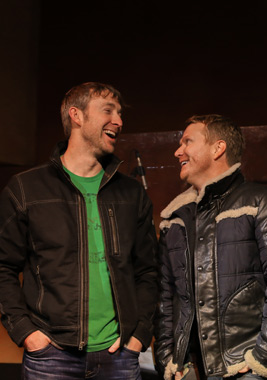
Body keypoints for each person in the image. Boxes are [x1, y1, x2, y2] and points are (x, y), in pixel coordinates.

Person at [0, 82, 158, 379]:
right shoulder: (25, 189)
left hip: (120, 358)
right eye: (108, 111)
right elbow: (2, 267)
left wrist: (139, 335)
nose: (119, 121)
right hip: (50, 357)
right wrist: (26, 332)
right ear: (77, 115)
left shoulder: (132, 194)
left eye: (120, 113)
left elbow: (148, 271)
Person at [154, 114, 267, 380]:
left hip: (244, 369)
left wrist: (265, 358)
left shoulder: (263, 202)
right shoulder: (174, 220)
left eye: (187, 141)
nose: (178, 151)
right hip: (188, 371)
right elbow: (165, 299)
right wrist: (167, 359)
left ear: (218, 148)